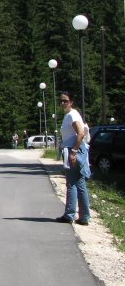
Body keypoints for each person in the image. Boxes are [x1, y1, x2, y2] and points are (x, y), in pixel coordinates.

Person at [55, 91, 91, 225]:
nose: (63, 103)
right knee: (80, 184)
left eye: (65, 100)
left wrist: (74, 151)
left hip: (74, 150)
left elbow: (80, 133)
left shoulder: (72, 115)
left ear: (71, 102)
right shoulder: (69, 115)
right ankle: (84, 217)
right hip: (74, 149)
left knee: (71, 184)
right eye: (61, 101)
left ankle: (69, 215)